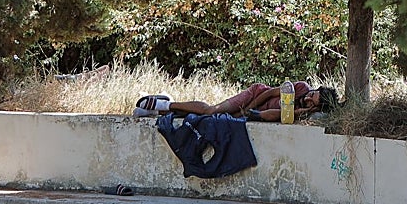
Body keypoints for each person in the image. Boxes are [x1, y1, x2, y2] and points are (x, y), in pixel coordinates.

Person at [134, 82, 339, 121]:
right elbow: (267, 94)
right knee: (212, 112)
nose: (309, 97)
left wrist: (302, 112)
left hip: (253, 114)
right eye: (313, 93)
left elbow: (273, 116)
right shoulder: (300, 88)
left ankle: (160, 111)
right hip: (254, 96)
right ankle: (166, 104)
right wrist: (245, 110)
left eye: (313, 101)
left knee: (209, 121)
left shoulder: (305, 113)